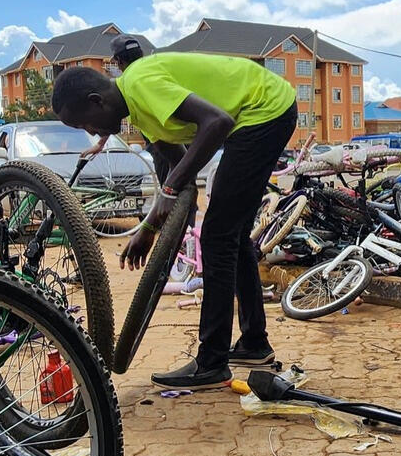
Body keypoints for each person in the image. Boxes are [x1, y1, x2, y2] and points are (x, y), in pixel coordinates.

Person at [51, 52, 298, 390]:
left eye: (85, 124)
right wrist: (149, 229)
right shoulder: (142, 114)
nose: (93, 134)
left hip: (264, 110)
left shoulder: (141, 85)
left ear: (96, 102)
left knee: (217, 237)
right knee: (231, 234)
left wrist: (167, 191)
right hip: (263, 111)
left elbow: (217, 123)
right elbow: (181, 177)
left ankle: (212, 362)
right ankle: (254, 344)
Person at [82, 35, 149, 162]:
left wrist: (101, 144)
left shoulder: (127, 82)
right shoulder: (153, 71)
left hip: (162, 140)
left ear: (118, 61)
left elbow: (112, 111)